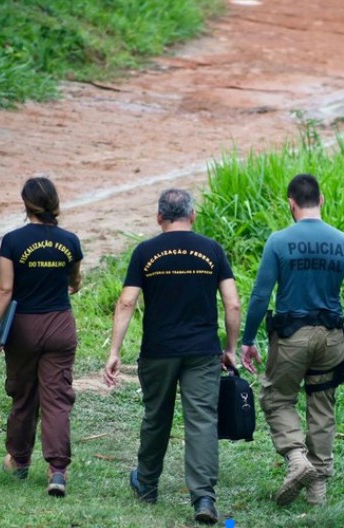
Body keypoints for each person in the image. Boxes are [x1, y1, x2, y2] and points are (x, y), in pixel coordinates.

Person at [104, 188, 240, 525]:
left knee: (156, 416)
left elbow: (126, 302)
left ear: (159, 218)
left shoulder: (146, 252)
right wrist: (231, 348)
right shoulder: (212, 250)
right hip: (202, 351)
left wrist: (115, 351)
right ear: (192, 216)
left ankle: (148, 485)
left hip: (158, 350)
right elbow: (233, 303)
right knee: (202, 421)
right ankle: (204, 498)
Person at [241, 173, 344, 507]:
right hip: (332, 338)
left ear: (291, 203)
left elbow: (259, 296)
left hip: (292, 337)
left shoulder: (279, 241)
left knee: (277, 398)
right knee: (322, 403)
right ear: (321, 200)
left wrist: (248, 338)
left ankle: (297, 460)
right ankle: (318, 488)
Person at [0, 176, 83, 498]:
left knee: (23, 394)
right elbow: (75, 282)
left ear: (26, 204)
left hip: (24, 327)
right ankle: (57, 471)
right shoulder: (70, 241)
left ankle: (19, 460)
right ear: (55, 203)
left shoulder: (13, 241)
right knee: (57, 400)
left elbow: (4, 290)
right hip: (60, 324)